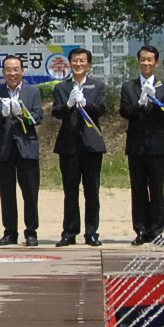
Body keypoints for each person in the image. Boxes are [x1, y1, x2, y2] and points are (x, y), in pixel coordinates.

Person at [50, 47, 108, 246]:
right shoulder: (61, 88)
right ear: (69, 63)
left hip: (91, 145)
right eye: (75, 60)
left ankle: (91, 232)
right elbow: (56, 112)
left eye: (82, 61)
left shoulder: (97, 86)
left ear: (89, 65)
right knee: (70, 191)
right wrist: (68, 104)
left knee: (92, 191)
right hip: (69, 145)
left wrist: (86, 104)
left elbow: (101, 109)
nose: (78, 64)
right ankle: (69, 232)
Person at [119, 45, 164, 244]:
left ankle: (157, 230)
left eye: (150, 60)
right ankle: (141, 230)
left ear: (156, 62)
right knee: (138, 188)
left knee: (157, 188)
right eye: (143, 59)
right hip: (135, 144)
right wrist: (140, 102)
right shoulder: (129, 87)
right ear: (138, 62)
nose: (146, 63)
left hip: (157, 144)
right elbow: (125, 112)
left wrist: (154, 100)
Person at [0, 54, 43, 245]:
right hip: (3, 148)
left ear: (22, 71)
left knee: (30, 192)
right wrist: (1, 115)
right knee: (7, 192)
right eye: (8, 70)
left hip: (27, 147)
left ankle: (31, 231)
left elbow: (38, 116)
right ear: (3, 73)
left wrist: (24, 114)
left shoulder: (32, 91)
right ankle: (10, 231)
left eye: (16, 69)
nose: (12, 73)